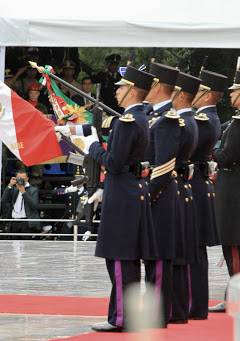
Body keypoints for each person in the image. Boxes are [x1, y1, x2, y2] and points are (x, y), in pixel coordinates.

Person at [69, 66, 156, 332]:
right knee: (127, 259)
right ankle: (125, 314)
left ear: (131, 90)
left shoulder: (128, 121)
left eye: (120, 87)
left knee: (119, 258)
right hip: (131, 190)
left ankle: (121, 317)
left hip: (122, 194)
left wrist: (91, 146)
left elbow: (115, 163)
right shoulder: (141, 118)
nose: (116, 91)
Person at [142, 62, 181, 326]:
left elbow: (164, 166)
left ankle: (158, 313)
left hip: (160, 195)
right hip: (157, 193)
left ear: (157, 87)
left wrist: (146, 195)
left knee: (157, 257)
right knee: (152, 257)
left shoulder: (167, 119)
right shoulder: (155, 115)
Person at [188, 69, 228, 320]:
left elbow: (188, 153)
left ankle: (194, 303)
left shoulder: (204, 120)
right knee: (194, 250)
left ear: (207, 94)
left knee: (192, 250)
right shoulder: (209, 119)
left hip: (194, 185)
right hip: (199, 185)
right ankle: (195, 303)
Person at [171, 71, 201, 322]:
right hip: (183, 188)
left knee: (176, 255)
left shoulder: (183, 121)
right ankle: (179, 308)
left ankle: (177, 309)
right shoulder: (188, 120)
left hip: (175, 189)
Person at [209, 69, 240, 313]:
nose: (231, 96)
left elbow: (227, 156)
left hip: (233, 191)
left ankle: (235, 296)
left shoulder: (238, 125)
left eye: (235, 92)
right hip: (232, 187)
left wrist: (212, 152)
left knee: (233, 247)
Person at [1, 170, 40, 239]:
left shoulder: (33, 190)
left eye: (23, 178)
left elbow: (34, 206)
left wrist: (23, 192)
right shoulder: (14, 189)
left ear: (27, 179)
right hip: (14, 221)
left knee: (26, 245)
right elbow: (4, 200)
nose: (21, 180)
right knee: (14, 245)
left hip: (26, 222)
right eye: (19, 178)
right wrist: (10, 185)